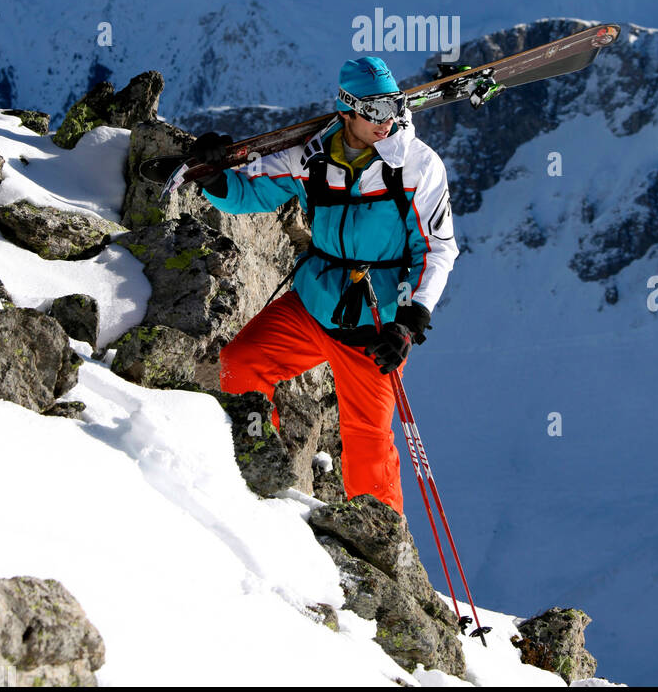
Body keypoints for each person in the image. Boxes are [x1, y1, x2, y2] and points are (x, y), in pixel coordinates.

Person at [190, 56, 458, 514]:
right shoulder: (310, 158)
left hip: (375, 326)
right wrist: (214, 176)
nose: (385, 121)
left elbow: (437, 250)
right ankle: (254, 468)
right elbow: (251, 193)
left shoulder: (416, 166)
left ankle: (379, 546)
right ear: (347, 109)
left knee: (368, 444)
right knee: (241, 365)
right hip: (314, 303)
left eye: (393, 107)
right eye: (373, 111)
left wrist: (411, 320)